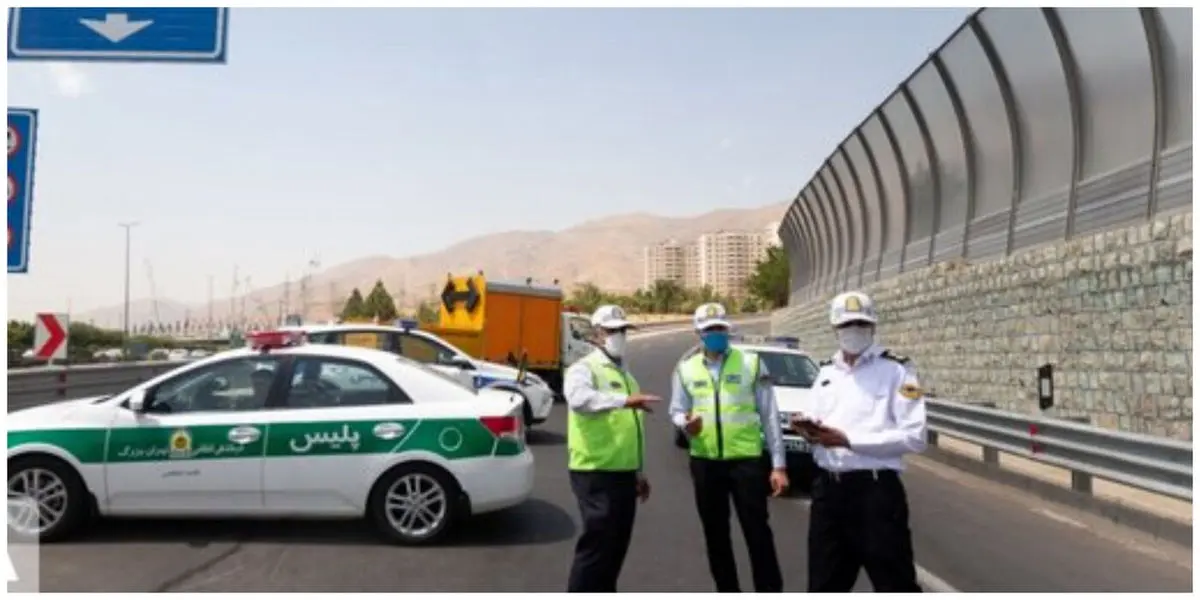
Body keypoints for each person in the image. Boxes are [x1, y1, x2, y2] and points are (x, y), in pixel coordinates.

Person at [792, 291, 927, 593]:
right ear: (834, 329)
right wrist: (806, 427)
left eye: (861, 324)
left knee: (895, 585)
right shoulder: (826, 373)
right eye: (847, 324)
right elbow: (815, 418)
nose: (854, 331)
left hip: (875, 494)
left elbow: (915, 436)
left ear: (873, 327)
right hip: (829, 492)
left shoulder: (898, 371)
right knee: (824, 586)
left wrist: (849, 440)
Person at [670, 302, 788, 593]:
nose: (716, 334)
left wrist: (779, 464)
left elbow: (769, 415)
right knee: (715, 535)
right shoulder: (685, 369)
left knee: (757, 533)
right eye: (710, 330)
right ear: (698, 333)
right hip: (706, 462)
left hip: (746, 462)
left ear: (728, 330)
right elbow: (676, 409)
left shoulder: (751, 363)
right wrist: (686, 424)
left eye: (720, 329)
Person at [564, 304, 659, 593]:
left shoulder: (627, 377)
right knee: (596, 549)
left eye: (623, 331)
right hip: (595, 472)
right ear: (597, 334)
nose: (619, 336)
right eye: (612, 330)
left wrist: (639, 473)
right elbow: (578, 399)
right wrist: (622, 401)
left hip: (623, 474)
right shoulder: (584, 368)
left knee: (615, 549)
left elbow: (632, 428)